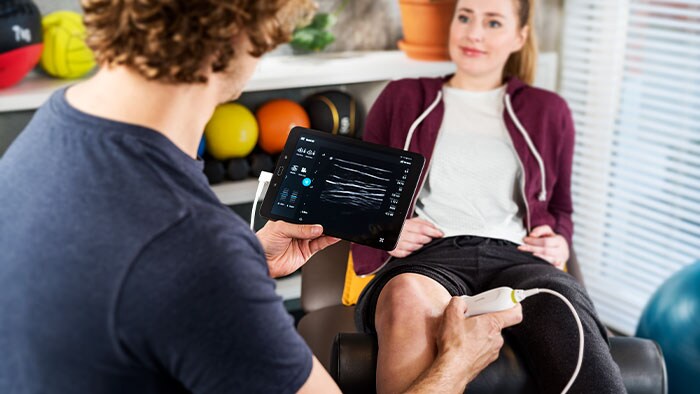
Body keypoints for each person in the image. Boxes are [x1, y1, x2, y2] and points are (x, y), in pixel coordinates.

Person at [0, 1, 522, 393]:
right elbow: (176, 269)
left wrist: (248, 257)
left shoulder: (48, 133)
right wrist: (458, 359)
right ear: (241, 30)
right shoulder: (193, 249)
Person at [351, 0, 628, 393]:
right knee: (406, 297)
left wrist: (560, 238)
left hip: (518, 257)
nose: (473, 33)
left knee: (562, 306)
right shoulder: (402, 98)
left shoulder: (548, 110)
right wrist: (385, 230)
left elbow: (561, 206)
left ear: (520, 36)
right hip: (431, 257)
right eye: (465, 17)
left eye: (493, 22)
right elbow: (364, 196)